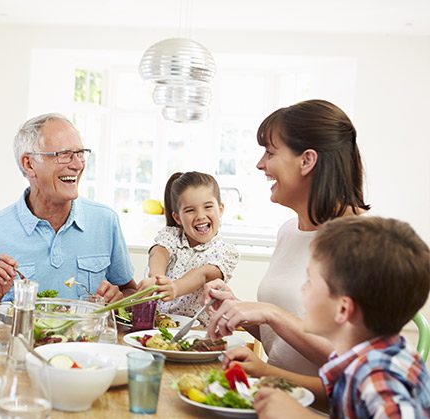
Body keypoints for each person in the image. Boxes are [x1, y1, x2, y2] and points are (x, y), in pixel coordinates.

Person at [205, 99, 370, 377]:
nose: (260, 164)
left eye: (270, 153)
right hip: (273, 397)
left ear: (306, 160)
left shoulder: (362, 243)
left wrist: (271, 313)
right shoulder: (289, 231)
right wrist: (238, 309)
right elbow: (283, 343)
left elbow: (351, 367)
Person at [253, 216, 430, 418]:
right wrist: (264, 374)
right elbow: (334, 393)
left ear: (343, 309)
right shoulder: (358, 354)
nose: (302, 289)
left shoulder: (379, 377)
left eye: (309, 281)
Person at [0, 113, 137, 307]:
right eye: (64, 155)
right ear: (29, 164)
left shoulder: (105, 221)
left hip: (87, 338)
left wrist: (120, 299)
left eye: (80, 153)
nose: (77, 164)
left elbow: (130, 291)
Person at [139, 171, 238, 325]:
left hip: (197, 332)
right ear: (177, 217)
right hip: (156, 326)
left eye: (208, 207)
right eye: (190, 210)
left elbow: (203, 274)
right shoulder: (172, 236)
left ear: (221, 209)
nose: (200, 216)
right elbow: (159, 252)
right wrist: (155, 279)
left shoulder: (225, 251)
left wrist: (175, 288)